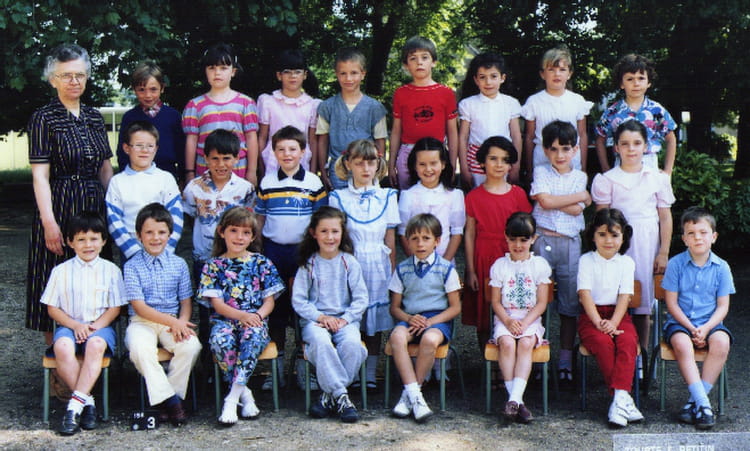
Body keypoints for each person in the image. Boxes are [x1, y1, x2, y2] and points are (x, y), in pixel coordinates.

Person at [27, 44, 114, 341]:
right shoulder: (43, 118)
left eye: (79, 75)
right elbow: (40, 176)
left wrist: (113, 212)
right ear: (53, 79)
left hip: (95, 205)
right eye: (66, 75)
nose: (74, 81)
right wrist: (49, 223)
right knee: (55, 278)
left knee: (98, 277)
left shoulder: (94, 116)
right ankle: (57, 353)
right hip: (60, 203)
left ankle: (98, 348)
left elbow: (105, 169)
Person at [592, 120, 674, 359]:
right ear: (616, 147)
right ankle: (617, 352)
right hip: (616, 244)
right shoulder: (607, 179)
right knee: (617, 296)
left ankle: (641, 357)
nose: (631, 149)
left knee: (643, 302)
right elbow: (601, 220)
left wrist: (663, 252)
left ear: (646, 146)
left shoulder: (657, 178)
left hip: (647, 243)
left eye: (637, 143)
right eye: (625, 144)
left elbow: (665, 217)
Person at [40, 212, 127, 435]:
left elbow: (115, 308)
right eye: (81, 239)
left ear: (103, 241)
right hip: (70, 326)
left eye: (94, 239)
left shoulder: (111, 270)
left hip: (100, 327)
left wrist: (94, 327)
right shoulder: (61, 271)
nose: (88, 245)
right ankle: (87, 402)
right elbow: (52, 308)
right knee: (61, 346)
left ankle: (73, 408)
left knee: (95, 345)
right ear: (70, 242)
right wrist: (75, 326)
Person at [255, 125, 327, 390]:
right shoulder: (267, 182)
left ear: (303, 152)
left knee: (303, 310)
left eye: (292, 149)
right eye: (281, 149)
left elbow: (320, 221)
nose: (287, 154)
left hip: (302, 253)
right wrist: (258, 250)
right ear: (273, 152)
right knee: (275, 309)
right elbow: (260, 219)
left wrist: (314, 253)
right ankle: (275, 370)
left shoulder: (313, 183)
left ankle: (303, 368)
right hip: (273, 252)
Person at [198, 207, 284, 425]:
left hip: (255, 321)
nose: (239, 237)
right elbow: (217, 304)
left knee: (252, 337)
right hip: (225, 320)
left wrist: (256, 316)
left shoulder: (262, 263)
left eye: (246, 233)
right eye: (234, 231)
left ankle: (231, 400)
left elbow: (269, 301)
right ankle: (245, 395)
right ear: (221, 232)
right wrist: (241, 316)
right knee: (221, 340)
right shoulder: (213, 266)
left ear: (253, 237)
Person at [329, 140, 399, 390]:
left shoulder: (388, 196)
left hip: (378, 263)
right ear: (348, 164)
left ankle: (370, 372)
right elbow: (337, 238)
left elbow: (390, 239)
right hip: (350, 264)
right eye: (359, 163)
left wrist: (392, 272)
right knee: (352, 316)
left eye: (371, 163)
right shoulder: (338, 197)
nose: (366, 169)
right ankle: (352, 370)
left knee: (374, 320)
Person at [124, 203, 201, 426]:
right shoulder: (131, 266)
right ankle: (172, 402)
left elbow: (185, 302)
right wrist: (172, 322)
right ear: (139, 235)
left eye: (161, 232)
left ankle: (167, 399)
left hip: (172, 321)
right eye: (149, 232)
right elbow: (139, 307)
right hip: (142, 322)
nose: (155, 238)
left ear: (169, 234)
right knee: (140, 349)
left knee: (191, 346)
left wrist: (182, 323)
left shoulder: (179, 264)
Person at [182, 129, 255, 365]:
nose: (221, 164)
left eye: (226, 158)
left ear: (237, 158)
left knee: (232, 308)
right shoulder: (194, 188)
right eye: (214, 158)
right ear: (205, 158)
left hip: (234, 261)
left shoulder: (244, 189)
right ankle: (207, 364)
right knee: (206, 311)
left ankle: (231, 362)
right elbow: (188, 217)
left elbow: (249, 222)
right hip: (204, 259)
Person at [292, 207, 368, 423]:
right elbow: (299, 301)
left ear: (342, 233)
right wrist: (321, 318)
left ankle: (328, 395)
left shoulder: (349, 262)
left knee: (353, 345)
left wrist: (345, 319)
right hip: (316, 322)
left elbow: (361, 299)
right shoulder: (308, 264)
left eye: (335, 231)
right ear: (313, 233)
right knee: (321, 343)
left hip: (345, 321)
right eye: (324, 231)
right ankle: (342, 396)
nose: (330, 237)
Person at [662, 207, 734, 430]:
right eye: (691, 233)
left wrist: (706, 328)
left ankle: (694, 403)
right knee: (683, 344)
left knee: (722, 342)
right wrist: (692, 328)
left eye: (703, 232)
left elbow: (723, 306)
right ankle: (704, 404)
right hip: (680, 323)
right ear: (684, 239)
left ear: (713, 236)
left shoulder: (722, 267)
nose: (698, 238)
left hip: (711, 323)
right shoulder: (675, 264)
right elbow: (672, 304)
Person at [530, 121, 590, 387]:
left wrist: (556, 200)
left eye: (566, 149)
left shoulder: (580, 177)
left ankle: (565, 358)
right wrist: (578, 197)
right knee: (538, 300)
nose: (560, 155)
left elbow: (573, 208)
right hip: (543, 240)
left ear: (575, 149)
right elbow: (545, 201)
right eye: (553, 149)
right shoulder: (541, 171)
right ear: (545, 150)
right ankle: (537, 356)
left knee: (568, 303)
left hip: (569, 243)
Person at [388, 213, 462, 422]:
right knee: (397, 337)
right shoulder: (402, 269)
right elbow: (394, 308)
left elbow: (455, 307)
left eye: (426, 238)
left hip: (437, 320)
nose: (420, 244)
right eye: (415, 238)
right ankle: (415, 396)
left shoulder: (446, 269)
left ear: (437, 241)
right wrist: (409, 318)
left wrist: (430, 322)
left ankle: (410, 394)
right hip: (411, 318)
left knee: (429, 339)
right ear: (408, 241)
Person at [463, 136, 532, 351]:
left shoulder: (518, 194)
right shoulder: (473, 196)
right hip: (484, 255)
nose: (499, 164)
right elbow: (469, 234)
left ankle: (511, 357)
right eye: (493, 158)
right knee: (484, 310)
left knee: (512, 307)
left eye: (504, 159)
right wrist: (471, 270)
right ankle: (487, 361)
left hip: (511, 256)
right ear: (482, 162)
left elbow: (527, 230)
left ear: (511, 164)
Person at [577, 208, 643, 427]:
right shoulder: (586, 260)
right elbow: (584, 294)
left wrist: (613, 322)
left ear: (623, 237)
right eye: (602, 234)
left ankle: (619, 400)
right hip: (592, 315)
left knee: (628, 342)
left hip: (618, 315)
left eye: (614, 235)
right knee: (603, 342)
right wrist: (599, 323)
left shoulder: (626, 263)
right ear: (593, 236)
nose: (608, 241)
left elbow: (625, 295)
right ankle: (622, 399)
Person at [488, 212, 551, 424]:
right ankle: (517, 402)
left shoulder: (539, 265)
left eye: (524, 240)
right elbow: (495, 301)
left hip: (530, 318)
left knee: (525, 343)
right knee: (506, 343)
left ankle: (513, 399)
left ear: (533, 239)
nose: (518, 245)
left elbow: (541, 303)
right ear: (506, 237)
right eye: (513, 239)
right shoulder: (500, 266)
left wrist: (525, 323)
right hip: (505, 317)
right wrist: (507, 321)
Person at [182, 43, 259, 185]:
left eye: (223, 68)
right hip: (204, 172)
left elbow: (251, 138)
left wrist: (252, 171)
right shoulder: (195, 105)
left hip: (238, 172)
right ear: (205, 71)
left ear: (233, 72)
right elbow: (191, 140)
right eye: (212, 68)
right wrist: (189, 172)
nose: (217, 73)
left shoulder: (246, 103)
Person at [388, 36, 458, 189]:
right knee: (408, 196)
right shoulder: (401, 93)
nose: (419, 62)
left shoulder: (446, 93)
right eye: (413, 58)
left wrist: (452, 164)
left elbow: (452, 132)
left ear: (434, 62)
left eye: (424, 57)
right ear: (406, 65)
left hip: (436, 154)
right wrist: (391, 164)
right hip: (408, 153)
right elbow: (396, 131)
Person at [106, 121, 183, 260]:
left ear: (156, 148)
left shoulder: (166, 178)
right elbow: (114, 220)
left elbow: (176, 216)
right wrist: (134, 253)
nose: (144, 150)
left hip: (162, 250)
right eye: (138, 145)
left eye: (150, 146)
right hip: (131, 253)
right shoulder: (117, 182)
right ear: (126, 148)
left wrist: (165, 250)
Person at [317, 47, 387, 190]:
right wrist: (323, 171)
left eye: (354, 73)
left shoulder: (375, 108)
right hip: (338, 171)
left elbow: (380, 141)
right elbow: (323, 140)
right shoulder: (327, 106)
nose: (348, 78)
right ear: (336, 75)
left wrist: (378, 170)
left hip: (366, 169)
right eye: (343, 73)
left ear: (363, 74)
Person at [595, 54, 677, 174]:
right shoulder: (613, 112)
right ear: (621, 83)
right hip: (622, 166)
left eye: (641, 78)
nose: (636, 83)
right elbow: (600, 140)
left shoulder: (657, 110)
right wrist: (606, 170)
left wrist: (668, 171)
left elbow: (671, 139)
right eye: (630, 79)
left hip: (649, 165)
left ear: (649, 82)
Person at [521, 45, 593, 179]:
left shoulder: (577, 101)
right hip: (543, 162)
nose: (557, 74)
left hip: (571, 162)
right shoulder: (534, 102)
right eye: (551, 69)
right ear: (543, 74)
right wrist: (529, 170)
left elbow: (582, 135)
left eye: (562, 69)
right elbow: (529, 137)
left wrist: (583, 167)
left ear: (569, 73)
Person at [458, 52, 522, 187]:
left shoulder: (511, 103)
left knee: (501, 193)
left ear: (502, 78)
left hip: (502, 159)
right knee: (478, 193)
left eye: (493, 76)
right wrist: (464, 168)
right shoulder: (468, 104)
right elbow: (463, 137)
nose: (488, 82)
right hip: (476, 159)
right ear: (476, 80)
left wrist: (516, 166)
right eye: (482, 77)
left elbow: (516, 136)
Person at [398, 137, 465, 263]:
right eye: (422, 164)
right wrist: (418, 263)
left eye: (433, 163)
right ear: (415, 166)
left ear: (443, 164)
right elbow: (403, 233)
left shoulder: (454, 195)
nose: (428, 169)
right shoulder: (408, 196)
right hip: (417, 264)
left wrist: (444, 265)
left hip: (446, 263)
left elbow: (457, 232)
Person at [257, 49, 321, 178]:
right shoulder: (268, 102)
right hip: (272, 161)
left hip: (301, 161)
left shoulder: (312, 105)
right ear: (279, 75)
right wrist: (261, 169)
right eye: (287, 72)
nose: (293, 76)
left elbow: (313, 140)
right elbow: (262, 137)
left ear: (305, 75)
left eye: (297, 72)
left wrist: (313, 172)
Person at [116, 61, 185, 180]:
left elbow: (181, 152)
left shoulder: (173, 116)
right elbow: (122, 154)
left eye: (153, 89)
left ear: (162, 88)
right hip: (135, 178)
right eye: (142, 90)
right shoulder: (129, 117)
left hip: (167, 177)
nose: (148, 95)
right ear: (134, 89)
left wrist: (183, 179)